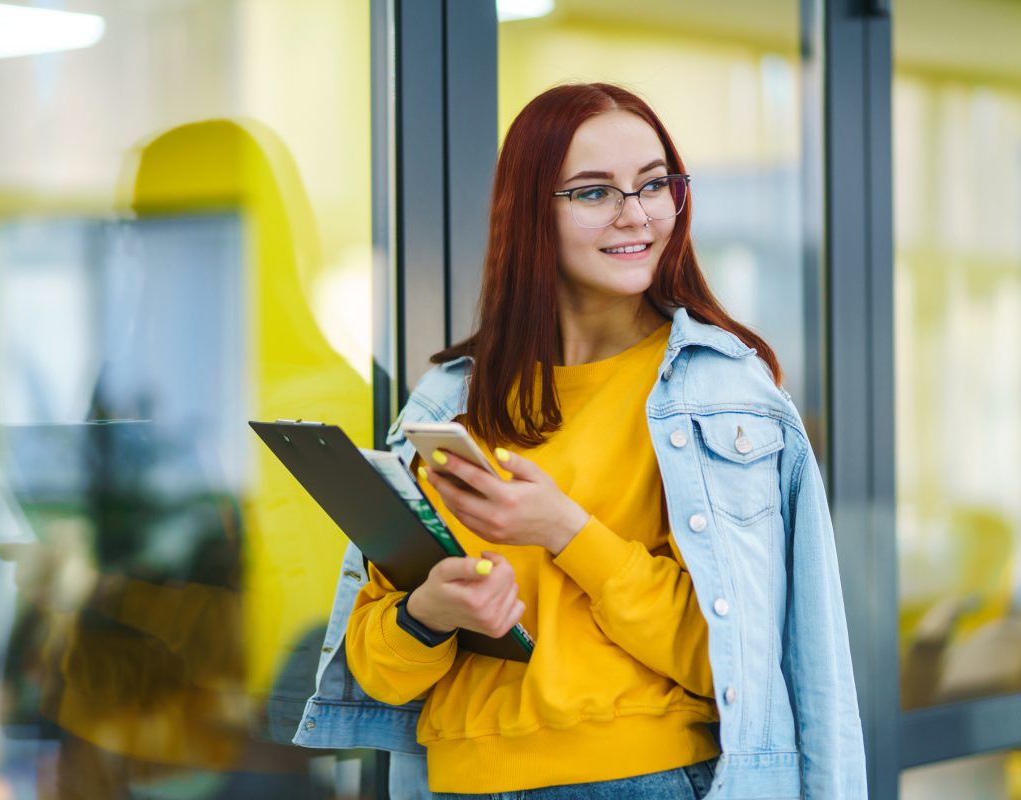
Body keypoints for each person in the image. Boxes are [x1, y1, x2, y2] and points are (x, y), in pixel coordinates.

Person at [293, 82, 867, 799]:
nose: (638, 214)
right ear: (531, 211)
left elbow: (734, 661)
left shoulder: (723, 397)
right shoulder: (452, 403)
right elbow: (376, 671)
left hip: (640, 780)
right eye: (595, 192)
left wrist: (565, 530)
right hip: (458, 784)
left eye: (654, 184)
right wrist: (431, 613)